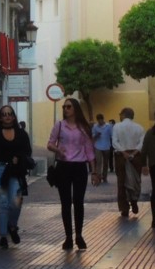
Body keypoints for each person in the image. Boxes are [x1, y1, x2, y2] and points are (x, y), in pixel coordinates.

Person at [46, 98, 97, 249]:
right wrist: (57, 150)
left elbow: (89, 150)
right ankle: (68, 236)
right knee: (66, 203)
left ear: (75, 108)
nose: (65, 109)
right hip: (63, 166)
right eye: (64, 107)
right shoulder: (59, 125)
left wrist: (94, 172)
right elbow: (50, 143)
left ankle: (79, 235)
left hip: (80, 167)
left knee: (79, 201)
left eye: (68, 106)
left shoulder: (83, 128)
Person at [0, 105, 32, 249]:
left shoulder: (21, 134)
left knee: (15, 202)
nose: (7, 116)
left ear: (14, 116)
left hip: (15, 171)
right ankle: (3, 235)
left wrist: (19, 158)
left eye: (10, 114)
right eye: (4, 114)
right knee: (2, 203)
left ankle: (12, 226)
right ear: (0, 117)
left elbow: (28, 151)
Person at [111, 107, 145, 218]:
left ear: (124, 115)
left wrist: (123, 153)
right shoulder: (139, 128)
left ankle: (124, 208)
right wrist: (134, 153)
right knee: (135, 180)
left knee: (121, 183)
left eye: (120, 114)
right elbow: (141, 143)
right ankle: (134, 200)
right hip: (136, 157)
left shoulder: (117, 126)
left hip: (121, 156)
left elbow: (114, 142)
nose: (119, 116)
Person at [91, 114, 113, 184]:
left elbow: (112, 135)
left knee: (106, 163)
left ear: (103, 119)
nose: (100, 122)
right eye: (98, 120)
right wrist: (96, 135)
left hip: (106, 146)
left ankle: (105, 176)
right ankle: (98, 177)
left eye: (101, 120)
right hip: (97, 146)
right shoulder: (95, 126)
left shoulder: (108, 126)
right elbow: (92, 136)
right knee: (98, 162)